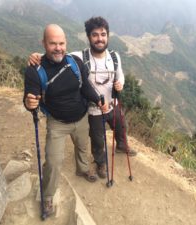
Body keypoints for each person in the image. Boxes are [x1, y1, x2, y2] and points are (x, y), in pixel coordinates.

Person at [28, 17, 137, 181]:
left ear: (108, 36)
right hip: (94, 110)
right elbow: (57, 54)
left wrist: (120, 83)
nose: (99, 38)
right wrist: (37, 57)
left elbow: (120, 75)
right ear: (88, 37)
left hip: (112, 104)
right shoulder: (79, 56)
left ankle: (122, 145)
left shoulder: (115, 57)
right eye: (95, 35)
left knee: (121, 126)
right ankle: (100, 162)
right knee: (98, 140)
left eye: (103, 34)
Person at [24, 24, 107, 215]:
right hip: (57, 123)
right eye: (53, 43)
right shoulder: (35, 70)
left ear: (66, 42)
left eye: (61, 43)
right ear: (43, 43)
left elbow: (85, 87)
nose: (58, 48)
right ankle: (47, 196)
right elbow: (31, 98)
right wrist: (29, 103)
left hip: (81, 117)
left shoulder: (75, 62)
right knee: (53, 161)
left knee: (82, 146)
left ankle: (83, 169)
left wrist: (98, 99)